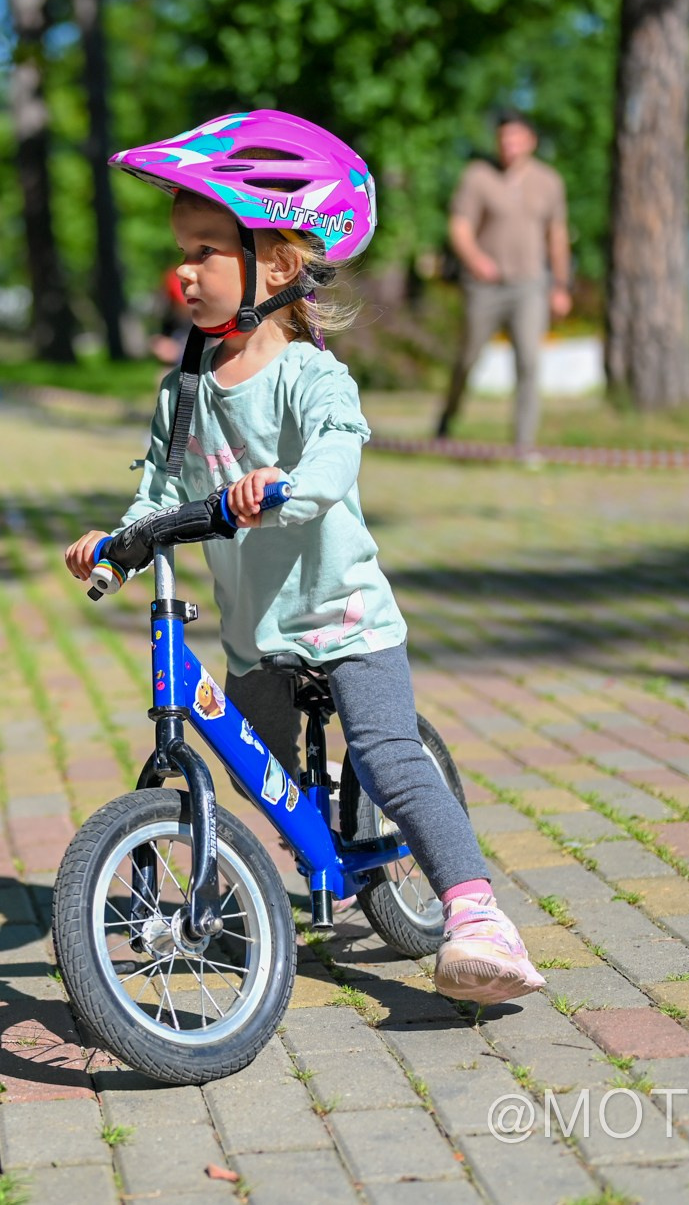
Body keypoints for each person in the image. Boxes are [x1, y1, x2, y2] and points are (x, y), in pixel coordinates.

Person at [62, 110, 544, 1006]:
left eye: (207, 249)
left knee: (390, 756)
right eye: (182, 249)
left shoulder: (312, 376)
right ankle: (303, 857)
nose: (184, 268)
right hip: (257, 631)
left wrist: (282, 482)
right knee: (269, 769)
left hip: (342, 615)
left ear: (276, 266)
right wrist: (118, 541)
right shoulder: (183, 391)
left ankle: (477, 915)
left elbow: (333, 457)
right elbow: (160, 492)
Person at [434, 110, 572, 457]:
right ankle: (447, 419)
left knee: (529, 360)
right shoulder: (478, 176)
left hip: (530, 286)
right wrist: (476, 259)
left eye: (516, 138)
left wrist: (561, 285)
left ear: (531, 142)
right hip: (485, 286)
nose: (509, 145)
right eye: (503, 138)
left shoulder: (549, 181)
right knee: (468, 358)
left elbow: (557, 235)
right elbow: (459, 226)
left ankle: (524, 445)